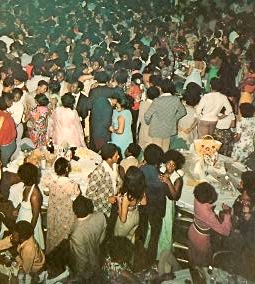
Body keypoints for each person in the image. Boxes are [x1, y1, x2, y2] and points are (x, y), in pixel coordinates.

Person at [188, 182, 232, 267]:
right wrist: (227, 213)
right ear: (210, 200)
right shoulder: (209, 215)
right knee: (203, 264)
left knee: (192, 256)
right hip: (201, 240)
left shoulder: (197, 198)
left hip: (192, 230)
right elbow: (226, 232)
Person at [43, 157, 80, 254]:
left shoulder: (49, 179)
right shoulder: (72, 184)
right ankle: (62, 255)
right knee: (64, 233)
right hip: (66, 212)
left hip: (53, 210)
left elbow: (46, 193)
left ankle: (51, 252)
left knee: (52, 230)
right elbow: (75, 200)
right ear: (67, 169)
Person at [69, 195, 107, 282]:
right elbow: (102, 238)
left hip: (87, 271)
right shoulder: (100, 216)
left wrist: (80, 275)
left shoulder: (76, 233)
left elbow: (81, 260)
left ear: (74, 211)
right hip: (97, 257)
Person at [144, 79, 186, 151]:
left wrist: (148, 122)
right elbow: (183, 112)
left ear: (161, 88)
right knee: (165, 150)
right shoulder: (176, 99)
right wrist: (174, 118)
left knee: (157, 151)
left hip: (156, 129)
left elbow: (147, 116)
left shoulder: (157, 100)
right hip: (169, 128)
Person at [157, 150, 185, 258]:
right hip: (158, 203)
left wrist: (168, 182)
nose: (171, 167)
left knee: (166, 228)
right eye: (169, 163)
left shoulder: (177, 179)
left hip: (168, 206)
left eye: (174, 165)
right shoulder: (161, 170)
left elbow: (175, 196)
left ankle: (163, 255)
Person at [16, 163, 45, 250]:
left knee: (30, 247)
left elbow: (35, 216)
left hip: (30, 222)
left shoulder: (35, 195)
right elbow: (23, 201)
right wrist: (17, 208)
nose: (19, 178)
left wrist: (29, 232)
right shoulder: (26, 186)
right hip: (23, 217)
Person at [114, 166, 147, 243]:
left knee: (119, 242)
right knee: (130, 239)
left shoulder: (127, 197)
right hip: (136, 216)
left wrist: (119, 202)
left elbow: (123, 219)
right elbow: (144, 202)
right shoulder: (141, 190)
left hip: (127, 221)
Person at [137, 86, 160, 150]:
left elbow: (139, 120)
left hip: (142, 132)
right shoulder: (157, 106)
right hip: (153, 135)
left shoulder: (142, 104)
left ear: (147, 94)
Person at [0, 94, 17, 167]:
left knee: (5, 164)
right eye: (11, 102)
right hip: (7, 145)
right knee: (5, 164)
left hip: (7, 144)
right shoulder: (5, 117)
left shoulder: (5, 115)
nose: (12, 103)